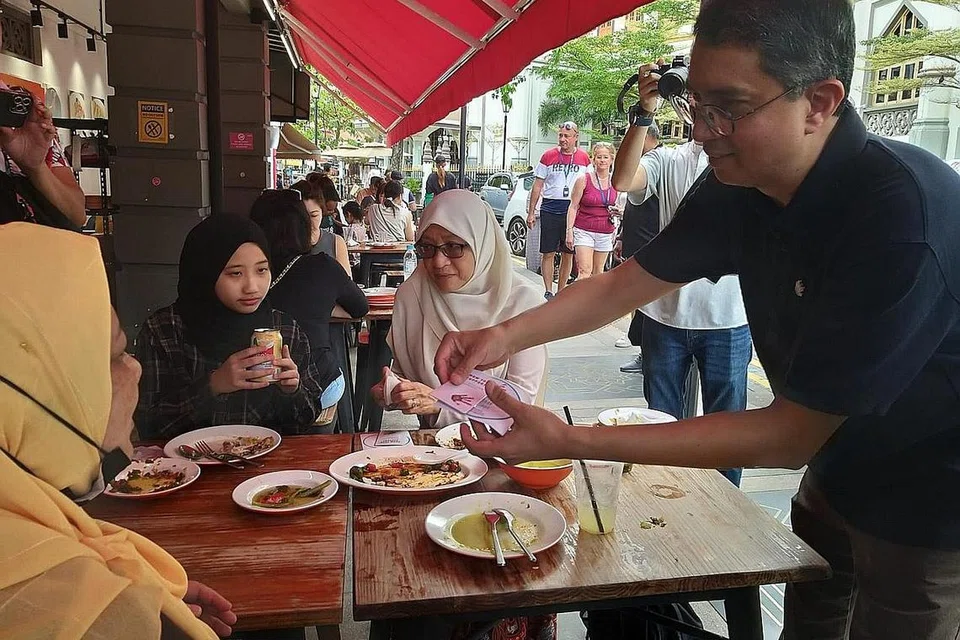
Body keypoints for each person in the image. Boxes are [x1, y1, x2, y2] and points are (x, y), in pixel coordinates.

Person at [435, 1, 960, 637]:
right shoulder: (738, 181)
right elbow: (621, 286)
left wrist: (572, 442)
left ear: (820, 102)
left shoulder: (900, 217)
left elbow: (786, 437)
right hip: (835, 464)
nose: (705, 131)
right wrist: (500, 336)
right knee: (812, 620)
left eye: (729, 109)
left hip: (929, 489)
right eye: (697, 106)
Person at [0, 222, 235, 638]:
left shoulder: (43, 539)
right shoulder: (79, 608)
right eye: (113, 355)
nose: (134, 367)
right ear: (41, 390)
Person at [612, 119, 751, 487]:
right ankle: (664, 500)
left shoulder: (747, 159)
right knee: (660, 422)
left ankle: (726, 508)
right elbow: (623, 181)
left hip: (729, 316)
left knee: (729, 425)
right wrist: (642, 114)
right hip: (664, 313)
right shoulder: (669, 159)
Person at [135, 214, 324, 440]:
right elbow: (149, 426)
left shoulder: (284, 329)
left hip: (269, 469)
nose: (252, 287)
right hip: (190, 469)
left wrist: (292, 390)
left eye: (262, 270)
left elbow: (305, 420)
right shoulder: (164, 332)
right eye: (236, 273)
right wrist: (213, 385)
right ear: (205, 273)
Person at [372, 190, 547, 428]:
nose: (438, 262)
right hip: (431, 454)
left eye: (453, 247)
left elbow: (521, 404)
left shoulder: (522, 303)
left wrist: (440, 404)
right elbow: (406, 374)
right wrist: (396, 391)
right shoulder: (411, 295)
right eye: (428, 248)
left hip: (507, 452)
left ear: (480, 242)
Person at [250, 191, 368, 430]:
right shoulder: (323, 266)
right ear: (303, 226)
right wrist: (320, 306)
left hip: (253, 389)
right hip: (318, 382)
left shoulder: (245, 272)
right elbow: (360, 307)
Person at [615, 123, 662, 373]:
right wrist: (622, 235)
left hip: (652, 244)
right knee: (639, 302)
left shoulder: (661, 163)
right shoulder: (644, 166)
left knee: (647, 302)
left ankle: (647, 353)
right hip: (635, 241)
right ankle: (644, 351)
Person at [528, 122, 591, 300]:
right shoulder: (548, 156)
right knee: (547, 252)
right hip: (550, 207)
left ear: (575, 137)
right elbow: (537, 185)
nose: (563, 139)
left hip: (572, 209)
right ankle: (548, 290)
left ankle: (561, 290)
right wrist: (531, 212)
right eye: (560, 136)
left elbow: (590, 183)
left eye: (566, 136)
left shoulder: (584, 158)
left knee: (568, 252)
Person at [565, 142, 619, 280]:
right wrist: (569, 231)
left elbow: (622, 203)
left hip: (605, 230)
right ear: (593, 159)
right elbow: (573, 206)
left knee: (598, 272)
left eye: (605, 157)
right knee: (584, 271)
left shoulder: (616, 181)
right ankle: (579, 300)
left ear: (612, 159)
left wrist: (619, 211)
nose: (602, 160)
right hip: (584, 230)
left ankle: (594, 301)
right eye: (599, 157)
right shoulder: (584, 179)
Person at [289, 181, 351, 274]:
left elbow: (347, 285)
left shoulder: (336, 243)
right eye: (301, 216)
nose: (307, 222)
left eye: (314, 216)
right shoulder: (283, 244)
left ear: (322, 213)